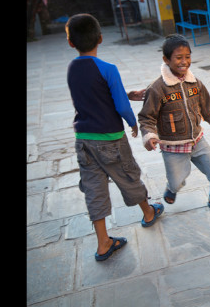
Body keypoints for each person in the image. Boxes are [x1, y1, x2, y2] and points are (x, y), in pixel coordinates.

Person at [65, 14, 164, 262]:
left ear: (70, 43)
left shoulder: (71, 68)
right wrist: (132, 123)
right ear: (100, 38)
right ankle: (149, 213)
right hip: (110, 138)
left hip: (84, 140)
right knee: (128, 176)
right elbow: (119, 105)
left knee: (93, 189)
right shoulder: (108, 69)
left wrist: (125, 92)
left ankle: (103, 243)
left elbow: (93, 96)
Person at [137, 34, 210, 212]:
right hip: (173, 147)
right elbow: (146, 117)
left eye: (187, 57)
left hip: (198, 141)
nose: (184, 62)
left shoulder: (195, 83)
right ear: (166, 59)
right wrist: (149, 135)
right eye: (178, 57)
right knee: (177, 179)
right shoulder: (157, 88)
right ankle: (172, 188)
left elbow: (208, 108)